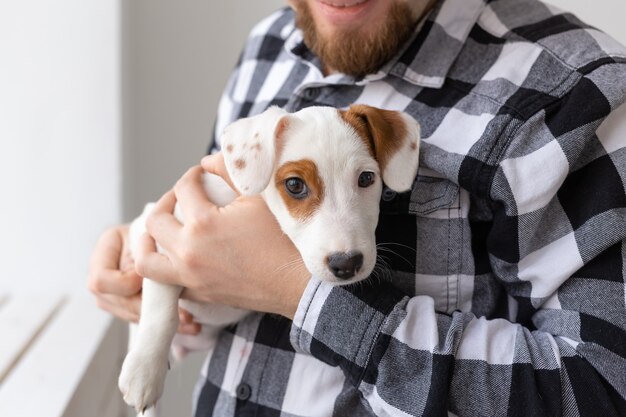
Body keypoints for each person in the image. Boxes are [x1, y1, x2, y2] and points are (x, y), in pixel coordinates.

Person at [89, 0, 626, 415]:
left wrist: (295, 290)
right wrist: (160, 264)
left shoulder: (578, 93)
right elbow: (218, 278)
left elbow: (603, 390)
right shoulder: (267, 48)